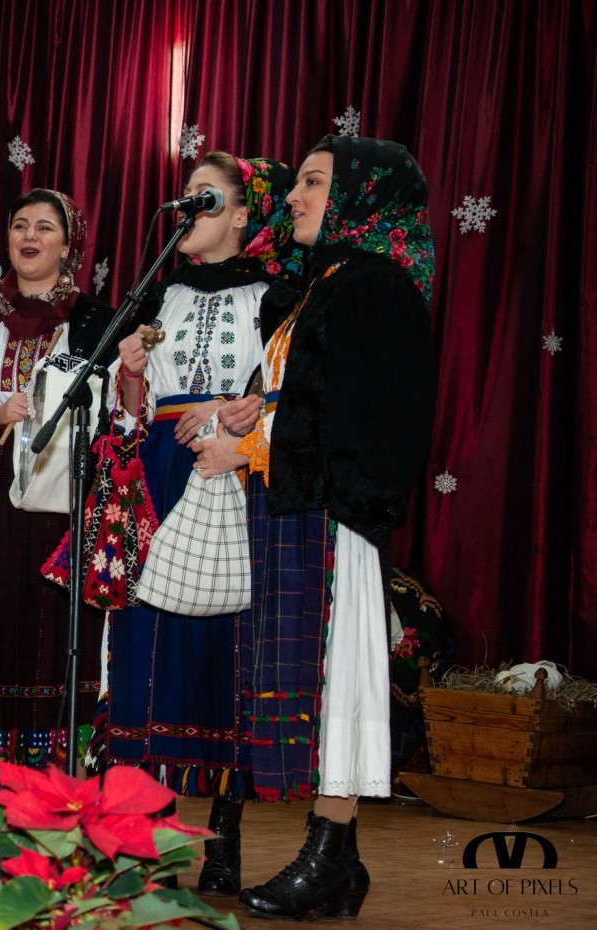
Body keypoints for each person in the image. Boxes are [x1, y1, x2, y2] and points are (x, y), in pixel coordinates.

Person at [194, 136, 436, 920]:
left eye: (314, 183)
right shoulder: (322, 285)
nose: (294, 197)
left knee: (339, 682)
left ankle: (329, 853)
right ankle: (339, 860)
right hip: (296, 510)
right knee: (315, 685)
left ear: (362, 196)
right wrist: (253, 411)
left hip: (337, 520)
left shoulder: (375, 287)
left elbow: (364, 421)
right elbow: (308, 396)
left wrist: (252, 449)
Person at [100, 153, 303, 897]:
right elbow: (133, 410)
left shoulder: (276, 298)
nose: (190, 205)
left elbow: (294, 394)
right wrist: (128, 372)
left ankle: (223, 834)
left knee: (227, 650)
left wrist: (240, 416)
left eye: (207, 196)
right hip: (160, 471)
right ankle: (137, 835)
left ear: (244, 214)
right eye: (187, 194)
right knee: (146, 650)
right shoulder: (162, 294)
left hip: (232, 471)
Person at [0, 188, 116, 772]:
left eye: (44, 227)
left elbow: (114, 412)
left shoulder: (94, 321)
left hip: (63, 485)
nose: (29, 236)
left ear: (69, 245)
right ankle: (0, 764)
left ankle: (53, 762)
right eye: (19, 225)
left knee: (51, 617)